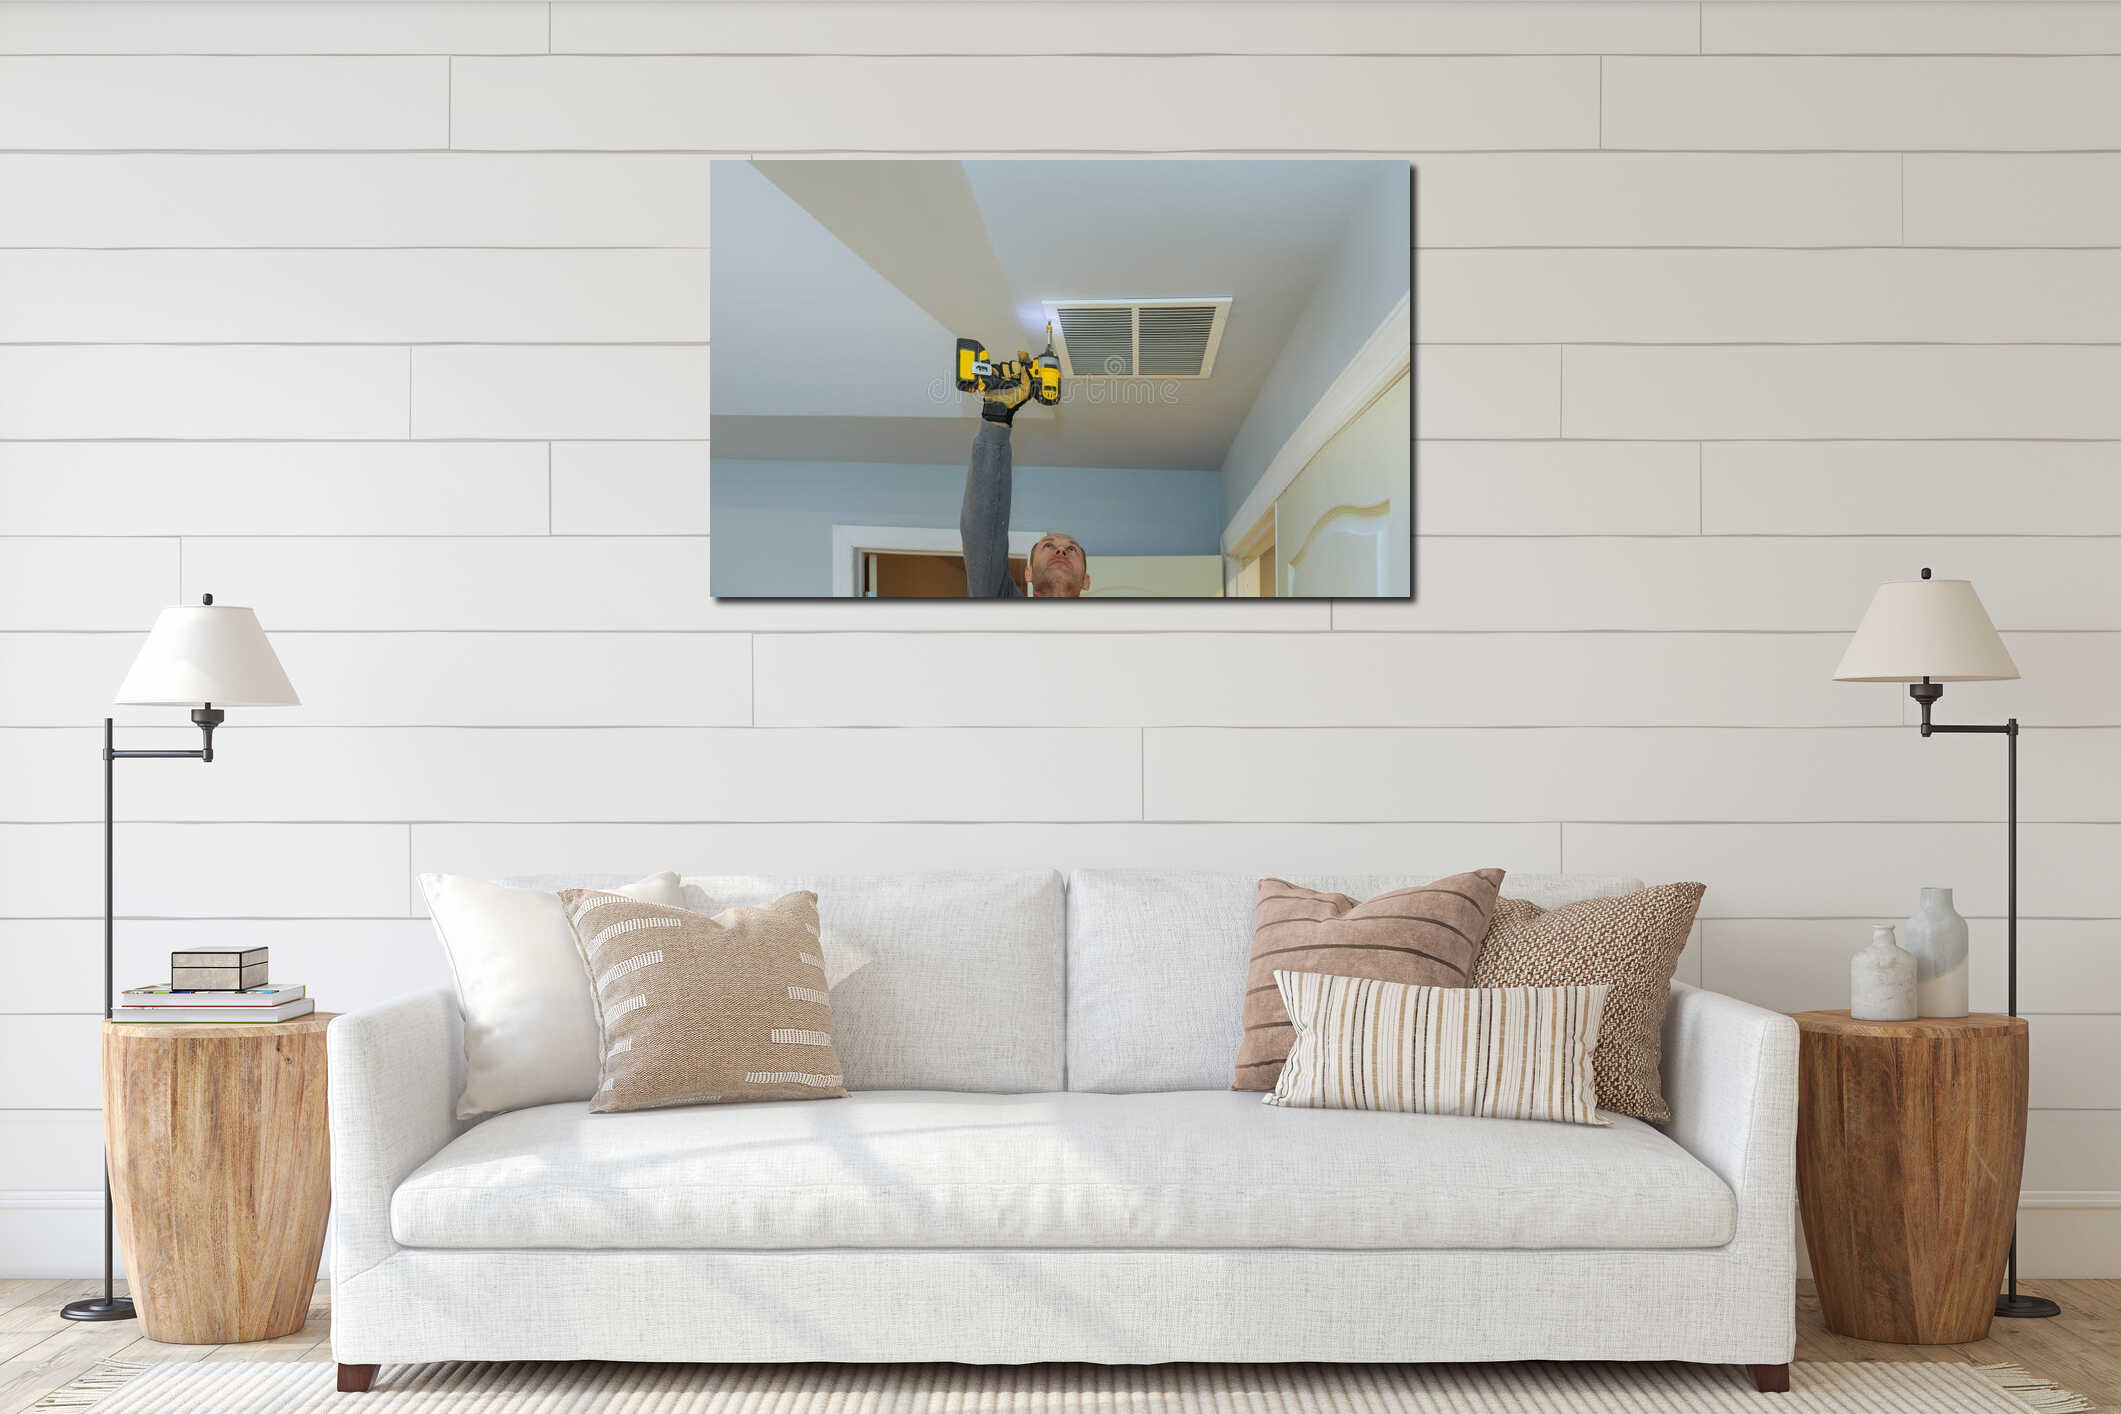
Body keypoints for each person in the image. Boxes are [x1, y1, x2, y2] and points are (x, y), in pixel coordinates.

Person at [960, 373, 1088, 598]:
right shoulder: (1005, 613)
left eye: (1071, 549)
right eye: (1047, 545)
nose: (1061, 550)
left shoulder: (1111, 627)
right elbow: (983, 534)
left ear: (1086, 581)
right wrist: (996, 418)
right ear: (1028, 573)